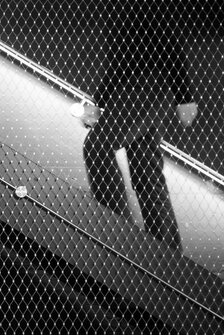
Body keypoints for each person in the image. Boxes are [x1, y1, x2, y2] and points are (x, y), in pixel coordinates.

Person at [82, 2, 198, 252]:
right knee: (146, 168)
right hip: (145, 87)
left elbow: (169, 38)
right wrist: (99, 101)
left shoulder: (132, 10)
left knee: (96, 147)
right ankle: (167, 250)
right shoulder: (120, 13)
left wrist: (185, 95)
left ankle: (115, 229)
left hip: (144, 86)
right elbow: (119, 64)